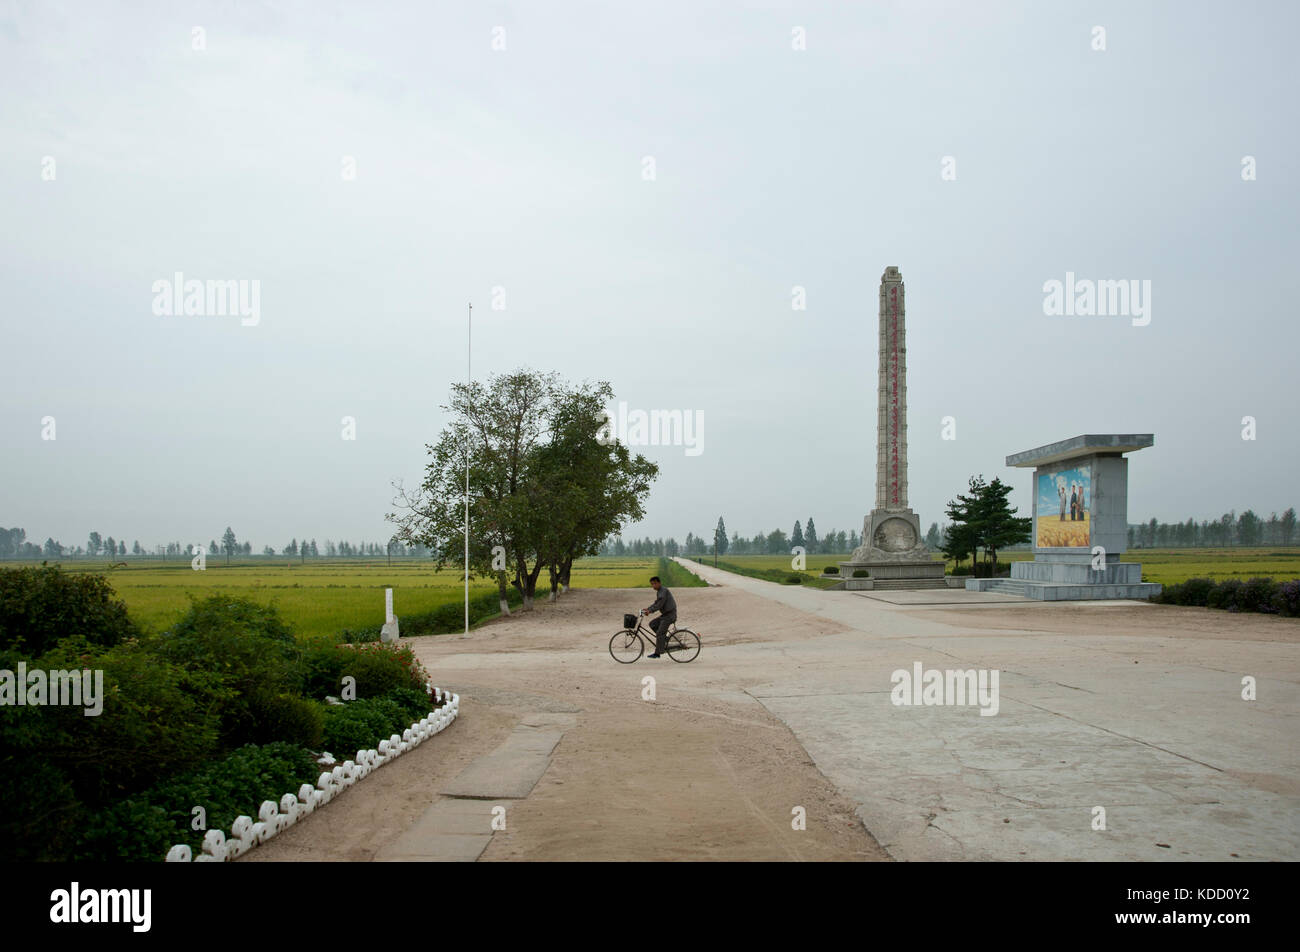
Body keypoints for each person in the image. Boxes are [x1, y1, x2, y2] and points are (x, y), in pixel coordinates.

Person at [640, 575, 677, 659]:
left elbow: (659, 605)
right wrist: (648, 609)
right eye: (652, 584)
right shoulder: (659, 591)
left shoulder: (663, 591)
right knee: (652, 624)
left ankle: (658, 653)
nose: (653, 586)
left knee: (660, 633)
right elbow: (656, 603)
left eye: (655, 584)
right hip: (665, 615)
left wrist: (650, 611)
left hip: (669, 615)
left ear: (659, 583)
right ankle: (665, 639)